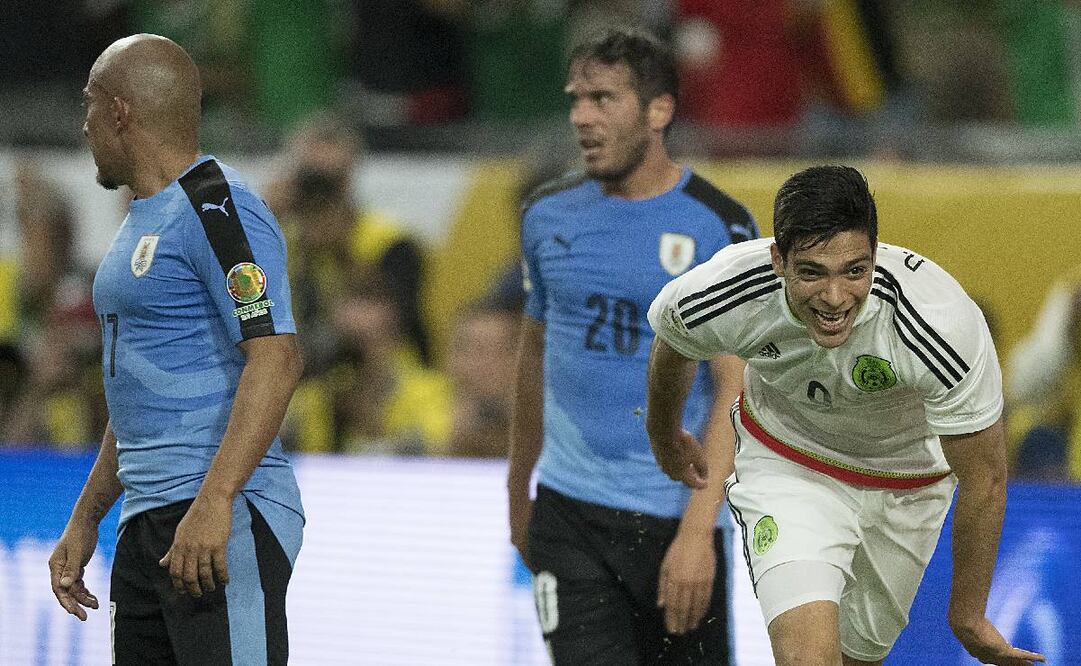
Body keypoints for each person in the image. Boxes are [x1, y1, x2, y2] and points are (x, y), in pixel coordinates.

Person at [645, 165, 1046, 666]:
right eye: (812, 272)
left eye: (854, 272)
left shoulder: (941, 327)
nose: (834, 299)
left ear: (876, 258)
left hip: (908, 489)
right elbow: (673, 342)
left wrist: (968, 614)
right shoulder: (730, 288)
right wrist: (663, 432)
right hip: (789, 466)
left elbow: (985, 476)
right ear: (778, 260)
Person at [47, 34, 305, 665]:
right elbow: (135, 397)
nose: (83, 128)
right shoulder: (145, 219)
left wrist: (216, 500)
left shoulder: (218, 206)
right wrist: (87, 520)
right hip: (149, 520)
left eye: (88, 108)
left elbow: (277, 354)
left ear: (119, 113)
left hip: (220, 514)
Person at [507, 27, 758, 665]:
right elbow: (534, 359)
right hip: (568, 514)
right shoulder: (546, 215)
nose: (582, 118)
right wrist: (518, 498)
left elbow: (736, 388)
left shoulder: (718, 225)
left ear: (658, 112)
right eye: (575, 100)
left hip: (674, 516)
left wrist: (700, 531)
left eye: (603, 99)